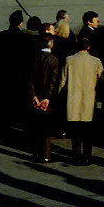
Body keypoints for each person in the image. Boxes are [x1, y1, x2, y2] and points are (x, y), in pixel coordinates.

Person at [60, 36, 104, 165]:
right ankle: (87, 156)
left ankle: (76, 155)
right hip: (89, 99)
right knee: (88, 131)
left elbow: (63, 80)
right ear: (89, 47)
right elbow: (102, 79)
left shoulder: (69, 60)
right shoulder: (96, 61)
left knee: (75, 132)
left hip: (73, 99)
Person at [28, 33, 61, 163]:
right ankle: (46, 154)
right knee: (46, 127)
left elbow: (29, 79)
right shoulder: (54, 60)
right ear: (51, 44)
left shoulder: (34, 58)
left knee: (36, 125)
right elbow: (53, 81)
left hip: (36, 96)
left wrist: (34, 96)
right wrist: (48, 97)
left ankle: (36, 152)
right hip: (47, 97)